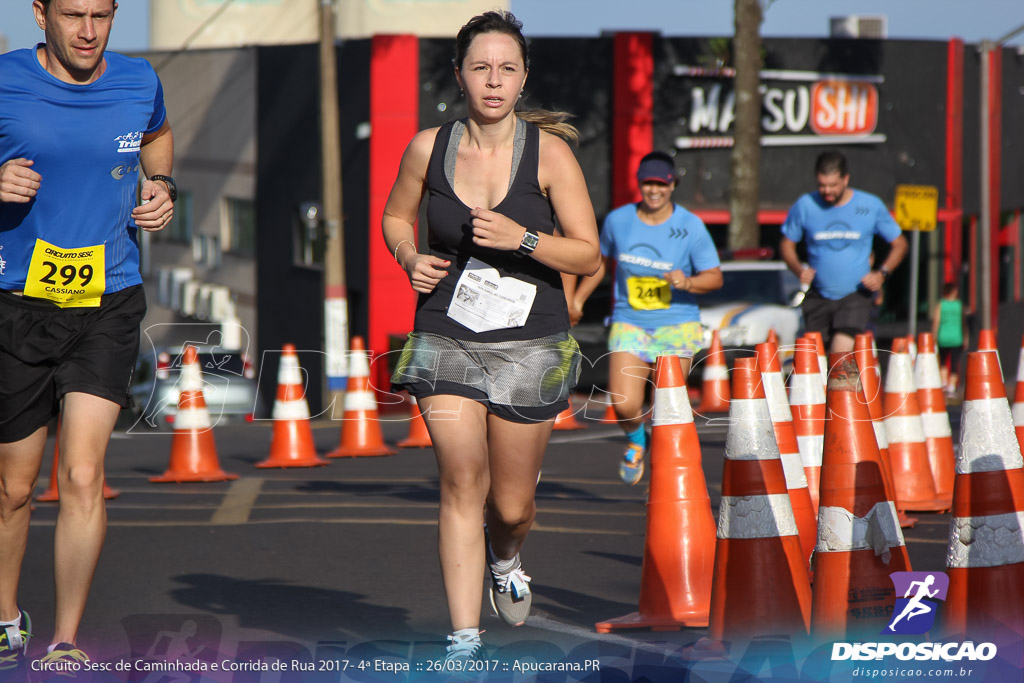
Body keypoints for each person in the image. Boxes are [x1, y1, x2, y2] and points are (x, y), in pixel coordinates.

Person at [382, 11, 600, 663]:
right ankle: (464, 639)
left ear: (523, 78)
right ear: (460, 76)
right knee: (461, 475)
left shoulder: (550, 155)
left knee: (510, 504)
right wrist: (407, 255)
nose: (494, 80)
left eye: (507, 68)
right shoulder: (429, 147)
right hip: (447, 331)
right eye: (481, 67)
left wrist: (524, 238)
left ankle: (506, 558)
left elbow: (588, 255)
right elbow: (396, 213)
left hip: (531, 343)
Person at [0, 0, 174, 672]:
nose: (88, 30)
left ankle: (65, 637)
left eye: (102, 14)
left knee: (80, 473)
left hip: (108, 299)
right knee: (14, 487)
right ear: (39, 13)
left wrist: (162, 186)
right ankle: (8, 614)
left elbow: (156, 141)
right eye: (73, 14)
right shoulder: (7, 80)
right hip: (18, 301)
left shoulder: (138, 81)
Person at [568, 151, 722, 485]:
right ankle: (638, 440)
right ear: (639, 184)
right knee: (624, 403)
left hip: (677, 324)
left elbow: (715, 277)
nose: (653, 190)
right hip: (630, 321)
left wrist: (689, 282)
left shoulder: (690, 226)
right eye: (647, 183)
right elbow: (599, 264)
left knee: (669, 405)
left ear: (672, 185)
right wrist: (577, 299)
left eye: (661, 184)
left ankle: (674, 469)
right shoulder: (618, 221)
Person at [780, 151, 907, 353]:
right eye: (822, 185)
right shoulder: (805, 205)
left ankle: (842, 381)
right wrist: (798, 269)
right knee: (814, 364)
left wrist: (882, 273)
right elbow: (787, 245)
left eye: (832, 185)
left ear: (845, 179)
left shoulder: (870, 205)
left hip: (855, 296)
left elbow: (900, 244)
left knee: (840, 354)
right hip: (818, 296)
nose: (827, 191)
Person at [932, 282, 967, 397]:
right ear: (953, 291)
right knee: (954, 362)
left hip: (943, 337)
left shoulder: (941, 304)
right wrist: (966, 337)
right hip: (957, 337)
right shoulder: (959, 305)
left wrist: (934, 336)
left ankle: (943, 383)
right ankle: (951, 388)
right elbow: (963, 322)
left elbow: (936, 322)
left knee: (942, 361)